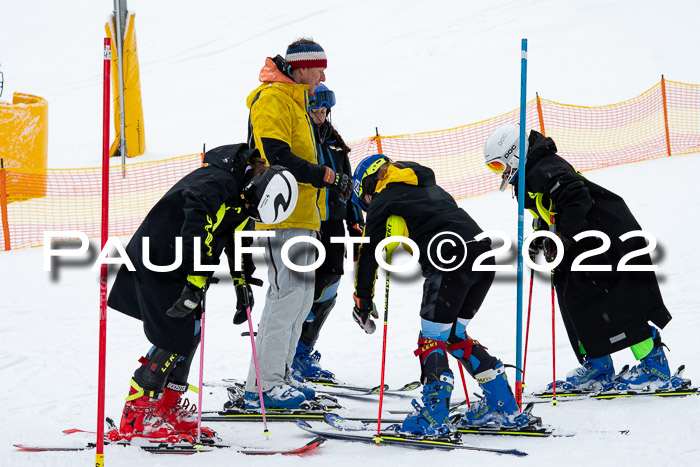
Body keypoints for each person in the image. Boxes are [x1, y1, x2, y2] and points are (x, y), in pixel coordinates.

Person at [107, 144, 298, 441]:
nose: (250, 213)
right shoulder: (217, 183)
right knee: (173, 336)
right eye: (252, 208)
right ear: (255, 188)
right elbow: (197, 225)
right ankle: (137, 413)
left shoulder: (243, 193)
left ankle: (168, 408)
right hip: (159, 258)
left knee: (191, 333)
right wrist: (196, 281)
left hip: (181, 265)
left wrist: (242, 281)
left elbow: (236, 233)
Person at [483, 124, 690, 393]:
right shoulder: (534, 171)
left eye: (499, 166)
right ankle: (598, 365)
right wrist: (544, 237)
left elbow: (574, 195)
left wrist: (567, 237)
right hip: (587, 243)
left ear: (513, 155)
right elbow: (549, 208)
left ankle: (654, 366)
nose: (501, 174)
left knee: (617, 303)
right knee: (576, 302)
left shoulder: (543, 167)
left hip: (608, 239)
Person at [351, 154, 540, 435]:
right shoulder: (430, 186)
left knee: (431, 339)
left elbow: (369, 254)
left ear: (368, 186)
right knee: (454, 335)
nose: (367, 206)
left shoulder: (383, 198)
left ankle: (434, 416)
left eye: (364, 200)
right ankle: (502, 404)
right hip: (483, 254)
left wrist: (362, 299)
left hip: (450, 260)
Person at [243, 38, 353, 409]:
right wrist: (323, 174)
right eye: (319, 68)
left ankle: (281, 374)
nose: (322, 75)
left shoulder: (297, 102)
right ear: (302, 68)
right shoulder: (272, 98)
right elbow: (276, 154)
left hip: (304, 214)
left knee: (300, 297)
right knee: (286, 296)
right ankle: (265, 384)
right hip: (282, 213)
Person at [291, 83, 365, 381]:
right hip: (306, 221)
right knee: (301, 287)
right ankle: (286, 352)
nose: (320, 117)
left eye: (324, 111)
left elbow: (346, 184)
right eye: (315, 111)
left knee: (331, 283)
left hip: (333, 221)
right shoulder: (301, 142)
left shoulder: (334, 143)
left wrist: (354, 217)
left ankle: (302, 352)